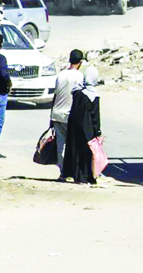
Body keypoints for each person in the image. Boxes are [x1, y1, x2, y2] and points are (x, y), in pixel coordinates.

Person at [62, 66, 102, 184]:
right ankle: (86, 177)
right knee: (87, 153)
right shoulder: (94, 95)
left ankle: (76, 175)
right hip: (88, 129)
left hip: (75, 127)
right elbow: (95, 116)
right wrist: (97, 131)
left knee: (76, 151)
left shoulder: (78, 92)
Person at [51, 49, 85, 179]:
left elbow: (55, 95)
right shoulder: (79, 76)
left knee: (61, 145)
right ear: (80, 62)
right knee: (73, 145)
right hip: (70, 116)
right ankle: (73, 172)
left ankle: (63, 173)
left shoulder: (61, 75)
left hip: (57, 114)